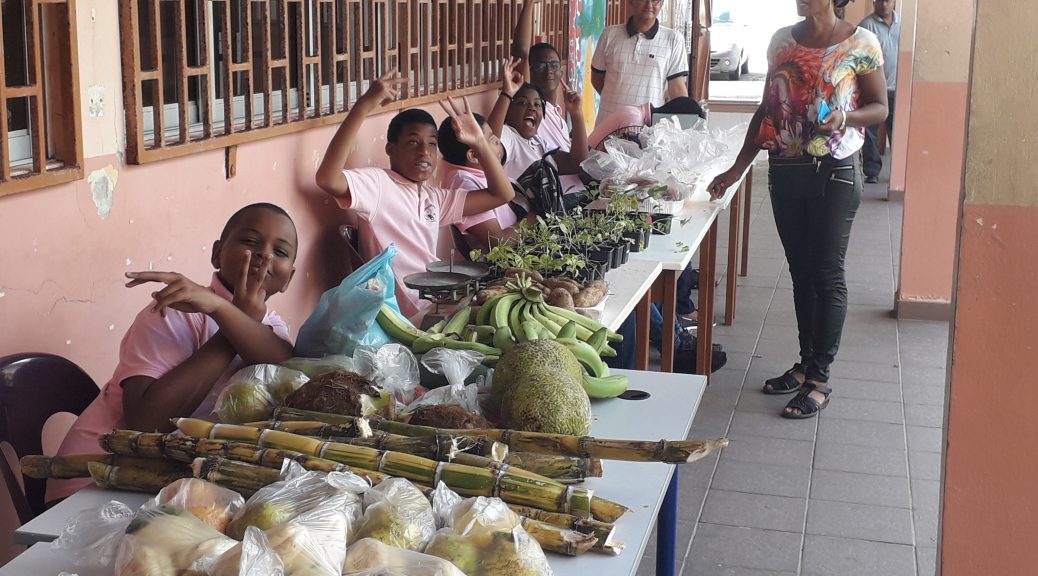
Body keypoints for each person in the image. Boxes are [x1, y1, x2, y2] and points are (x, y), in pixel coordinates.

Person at [708, 0, 888, 418]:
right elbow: (767, 110)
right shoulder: (781, 42)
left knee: (827, 273)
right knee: (801, 272)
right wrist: (736, 169)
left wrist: (844, 117)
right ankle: (805, 365)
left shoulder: (861, 42)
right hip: (786, 169)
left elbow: (880, 107)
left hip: (835, 171)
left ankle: (820, 378)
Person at [48, 203, 299, 501]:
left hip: (165, 481)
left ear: (289, 278)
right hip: (93, 481)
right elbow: (146, 423)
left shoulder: (271, 327)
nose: (264, 255)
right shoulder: (174, 311)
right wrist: (227, 321)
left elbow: (284, 365)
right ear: (217, 253)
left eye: (280, 251)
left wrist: (231, 315)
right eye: (250, 241)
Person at [315, 71, 514, 318]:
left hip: (441, 299)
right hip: (412, 314)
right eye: (412, 142)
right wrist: (363, 106)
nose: (424, 152)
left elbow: (502, 194)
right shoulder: (378, 185)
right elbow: (327, 179)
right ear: (390, 149)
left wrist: (480, 143)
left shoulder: (434, 198)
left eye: (432, 144)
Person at [511, 0, 587, 195]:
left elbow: (580, 161)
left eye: (553, 65)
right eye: (540, 66)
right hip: (559, 198)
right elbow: (520, 54)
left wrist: (576, 114)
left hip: (579, 192)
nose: (549, 71)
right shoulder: (532, 110)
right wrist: (528, 5)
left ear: (561, 71)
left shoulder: (557, 111)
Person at [489, 58, 587, 184]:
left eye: (537, 104)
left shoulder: (539, 143)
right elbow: (489, 144)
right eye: (522, 103)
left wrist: (577, 114)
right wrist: (507, 94)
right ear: (508, 110)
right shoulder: (509, 136)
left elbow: (576, 164)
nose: (532, 108)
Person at [590, 0, 689, 124]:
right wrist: (617, 98)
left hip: (649, 127)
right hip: (607, 124)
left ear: (661, 3)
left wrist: (685, 121)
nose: (649, 5)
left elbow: (677, 89)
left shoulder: (673, 39)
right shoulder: (609, 34)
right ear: (631, 2)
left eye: (655, 0)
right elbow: (597, 79)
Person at [437, 113, 517, 253]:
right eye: (491, 140)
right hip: (499, 262)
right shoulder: (463, 184)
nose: (498, 140)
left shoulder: (480, 172)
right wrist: (534, 218)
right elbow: (498, 244)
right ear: (474, 155)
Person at [859, 0, 900, 183]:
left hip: (897, 88)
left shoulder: (902, 25)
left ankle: (898, 173)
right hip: (873, 90)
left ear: (894, 2)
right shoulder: (866, 26)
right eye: (879, 1)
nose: (883, 5)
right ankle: (872, 171)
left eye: (887, 0)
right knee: (870, 131)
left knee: (897, 131)